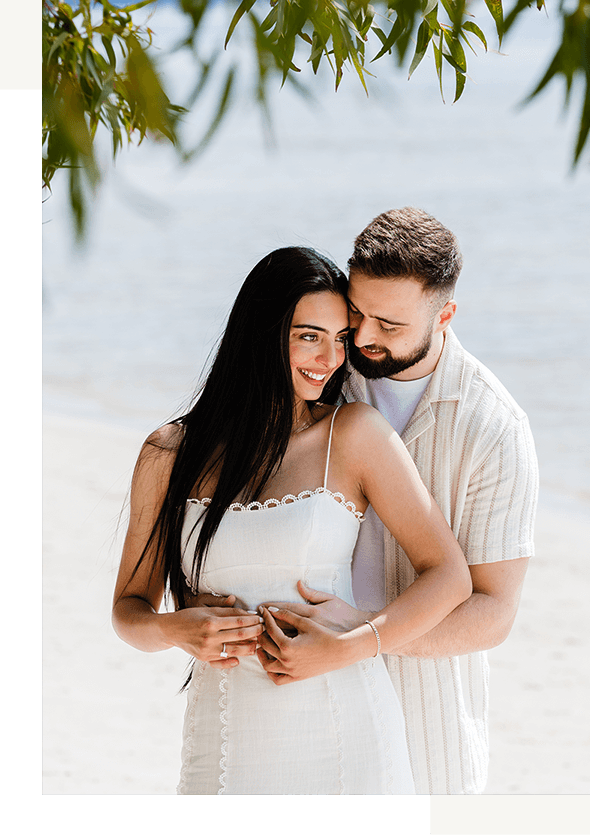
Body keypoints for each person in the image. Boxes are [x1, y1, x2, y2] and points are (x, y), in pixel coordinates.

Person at [189, 209, 539, 795]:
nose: (365, 338)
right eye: (358, 314)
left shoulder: (493, 428)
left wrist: (362, 638)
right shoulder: (323, 370)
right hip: (294, 706)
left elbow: (494, 611)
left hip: (429, 718)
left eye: (391, 324)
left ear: (444, 315)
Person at [111, 245, 472, 795]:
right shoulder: (169, 453)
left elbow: (449, 574)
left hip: (343, 728)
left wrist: (353, 644)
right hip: (223, 737)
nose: (329, 358)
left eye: (341, 339)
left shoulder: (355, 435)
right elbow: (128, 608)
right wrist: (171, 629)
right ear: (261, 332)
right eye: (309, 335)